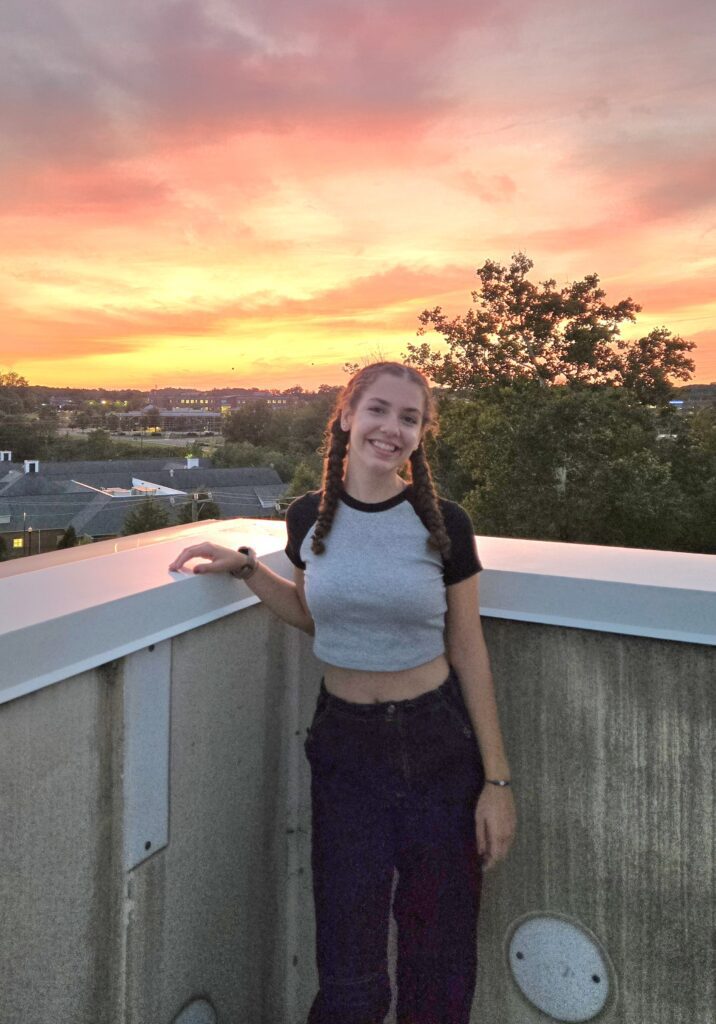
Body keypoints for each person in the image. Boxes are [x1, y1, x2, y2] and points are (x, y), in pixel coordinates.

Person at [168, 361, 516, 1024]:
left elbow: (470, 650)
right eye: (379, 410)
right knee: (348, 965)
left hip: (438, 749)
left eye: (409, 418)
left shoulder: (444, 523)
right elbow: (314, 616)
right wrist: (247, 569)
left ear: (421, 435)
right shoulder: (309, 518)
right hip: (345, 751)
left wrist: (496, 785)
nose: (392, 428)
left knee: (438, 960)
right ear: (348, 417)